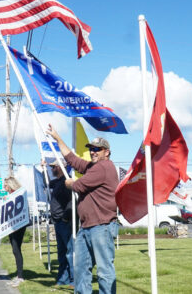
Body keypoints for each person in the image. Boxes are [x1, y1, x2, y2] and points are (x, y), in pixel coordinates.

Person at [46, 124, 119, 294]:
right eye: (92, 149)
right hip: (86, 227)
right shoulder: (93, 167)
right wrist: (57, 138)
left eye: (97, 149)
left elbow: (78, 185)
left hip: (102, 226)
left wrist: (69, 183)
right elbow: (72, 159)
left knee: (104, 270)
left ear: (106, 152)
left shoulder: (104, 167)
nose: (93, 151)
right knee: (80, 269)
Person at [46, 159, 74, 288]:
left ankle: (74, 280)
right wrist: (42, 170)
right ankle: (63, 279)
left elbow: (71, 201)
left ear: (61, 167)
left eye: (53, 167)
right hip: (57, 222)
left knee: (70, 252)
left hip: (64, 223)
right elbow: (46, 183)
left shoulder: (66, 181)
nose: (51, 169)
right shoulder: (57, 182)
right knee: (61, 252)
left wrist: (66, 218)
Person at [4, 176, 26, 287]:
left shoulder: (18, 194)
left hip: (18, 225)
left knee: (16, 249)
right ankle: (19, 275)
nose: (4, 187)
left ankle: (20, 276)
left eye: (5, 185)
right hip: (12, 226)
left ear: (11, 185)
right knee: (14, 249)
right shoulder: (11, 195)